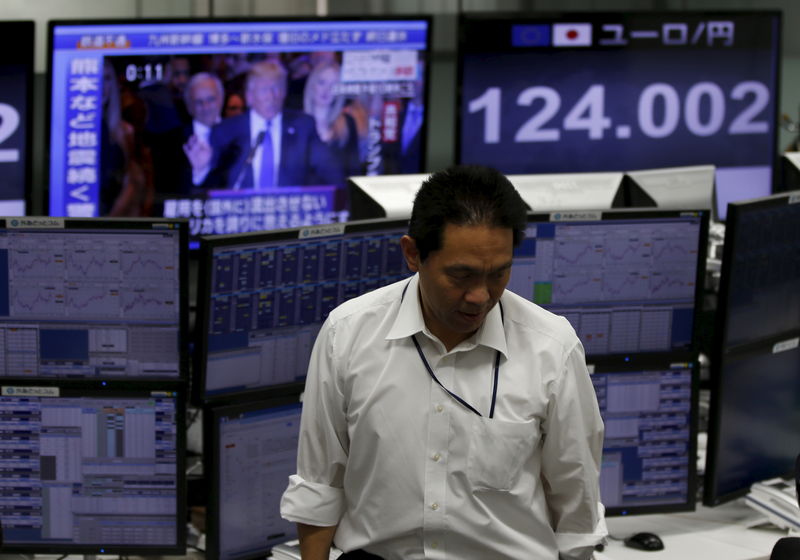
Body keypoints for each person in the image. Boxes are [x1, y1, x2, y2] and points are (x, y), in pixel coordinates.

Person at [280, 165, 607, 559]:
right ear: (413, 254)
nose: (481, 296)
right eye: (462, 275)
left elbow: (577, 517)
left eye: (498, 273)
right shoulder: (347, 334)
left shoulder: (552, 349)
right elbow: (319, 487)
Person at [191, 60, 344, 189]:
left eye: (277, 88)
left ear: (284, 93)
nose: (272, 96)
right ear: (250, 97)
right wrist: (201, 169)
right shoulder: (225, 131)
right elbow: (209, 191)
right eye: (264, 90)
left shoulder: (303, 126)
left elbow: (332, 174)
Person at [100, 59, 153, 216]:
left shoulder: (125, 131)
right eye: (97, 78)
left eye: (107, 79)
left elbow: (136, 181)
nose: (102, 86)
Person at [303, 59, 362, 178]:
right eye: (322, 82)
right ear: (312, 85)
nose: (326, 90)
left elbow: (354, 171)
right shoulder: (296, 122)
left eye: (334, 85)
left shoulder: (347, 124)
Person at [180, 72, 225, 192]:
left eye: (210, 99)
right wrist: (198, 173)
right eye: (199, 102)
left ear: (221, 99)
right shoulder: (171, 141)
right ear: (189, 106)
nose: (206, 107)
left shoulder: (239, 135)